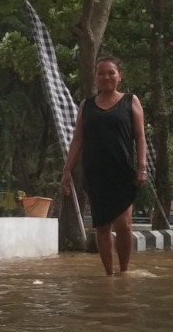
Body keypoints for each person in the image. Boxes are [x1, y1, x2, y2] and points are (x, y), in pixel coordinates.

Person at [61, 55, 147, 275]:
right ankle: (109, 274)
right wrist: (67, 169)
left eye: (111, 73)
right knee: (102, 226)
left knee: (124, 225)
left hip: (122, 171)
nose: (106, 77)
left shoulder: (131, 101)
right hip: (95, 173)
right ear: (96, 77)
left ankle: (124, 271)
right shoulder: (86, 105)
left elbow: (140, 136)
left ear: (119, 76)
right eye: (101, 73)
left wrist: (142, 167)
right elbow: (78, 139)